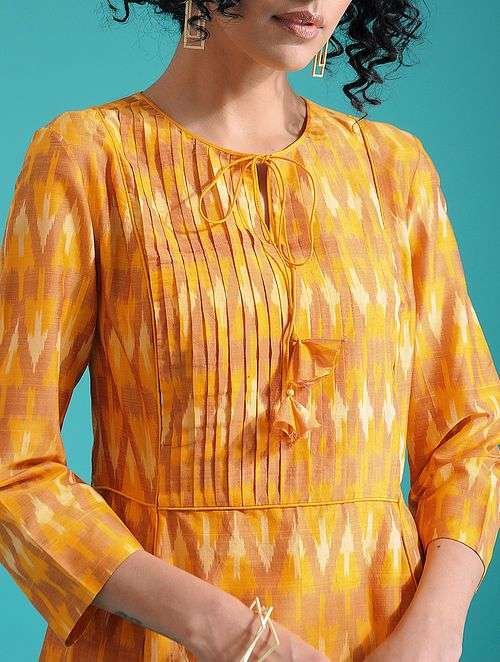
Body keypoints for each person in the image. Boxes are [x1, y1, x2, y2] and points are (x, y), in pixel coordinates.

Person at [1, 1, 498, 660]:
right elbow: (14, 467)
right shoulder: (88, 158)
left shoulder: (392, 169)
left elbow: (469, 434)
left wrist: (434, 631)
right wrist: (230, 633)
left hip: (382, 638)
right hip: (160, 644)